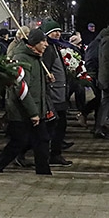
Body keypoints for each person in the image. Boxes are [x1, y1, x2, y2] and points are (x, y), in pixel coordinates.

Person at [0, 28, 53, 175]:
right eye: (43, 41)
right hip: (22, 112)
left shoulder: (36, 57)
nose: (46, 44)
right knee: (19, 142)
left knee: (42, 140)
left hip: (36, 109)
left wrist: (47, 80)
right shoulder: (22, 58)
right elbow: (21, 88)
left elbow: (34, 83)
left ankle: (43, 171)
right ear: (34, 43)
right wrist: (33, 113)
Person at [40, 21, 73, 166]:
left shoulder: (54, 46)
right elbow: (45, 71)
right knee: (56, 127)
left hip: (59, 93)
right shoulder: (48, 49)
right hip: (54, 95)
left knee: (58, 126)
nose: (58, 34)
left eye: (59, 31)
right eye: (54, 32)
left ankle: (54, 153)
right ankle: (54, 154)